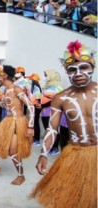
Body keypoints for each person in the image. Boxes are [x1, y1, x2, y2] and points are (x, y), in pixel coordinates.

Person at [31, 41, 97, 208]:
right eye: (72, 70)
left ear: (92, 68)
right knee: (77, 198)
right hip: (75, 154)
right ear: (67, 72)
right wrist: (44, 154)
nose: (78, 73)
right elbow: (52, 129)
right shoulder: (61, 98)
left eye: (83, 68)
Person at [0, 65, 35, 185]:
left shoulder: (17, 89)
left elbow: (31, 106)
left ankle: (21, 176)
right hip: (8, 120)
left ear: (4, 76)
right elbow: (6, 106)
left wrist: (31, 126)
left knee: (13, 151)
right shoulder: (6, 91)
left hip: (18, 122)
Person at [25, 73, 42, 147]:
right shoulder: (32, 87)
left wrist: (36, 104)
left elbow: (37, 98)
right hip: (32, 106)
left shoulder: (36, 88)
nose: (29, 81)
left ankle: (37, 139)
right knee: (33, 122)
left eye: (30, 79)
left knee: (35, 122)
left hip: (35, 106)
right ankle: (34, 138)